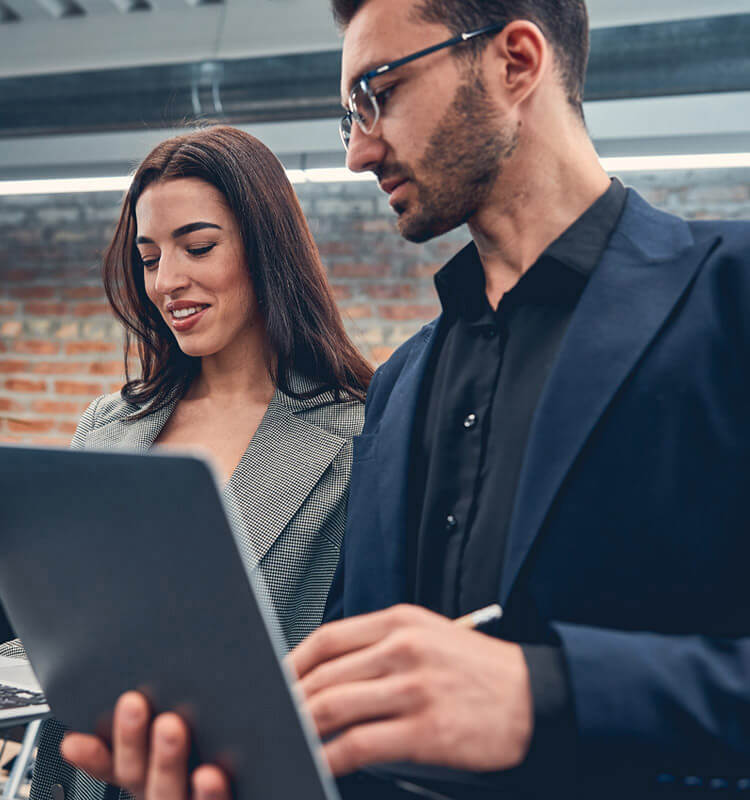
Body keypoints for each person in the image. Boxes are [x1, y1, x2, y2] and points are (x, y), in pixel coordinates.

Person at [63, 0, 750, 798]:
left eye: (377, 94)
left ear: (516, 62)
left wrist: (548, 694)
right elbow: (358, 729)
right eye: (348, 114)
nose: (357, 150)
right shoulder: (398, 390)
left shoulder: (728, 300)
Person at [2, 124, 371, 800]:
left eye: (198, 247)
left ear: (267, 249)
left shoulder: (357, 438)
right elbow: (67, 637)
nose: (167, 281)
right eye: (148, 258)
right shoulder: (110, 427)